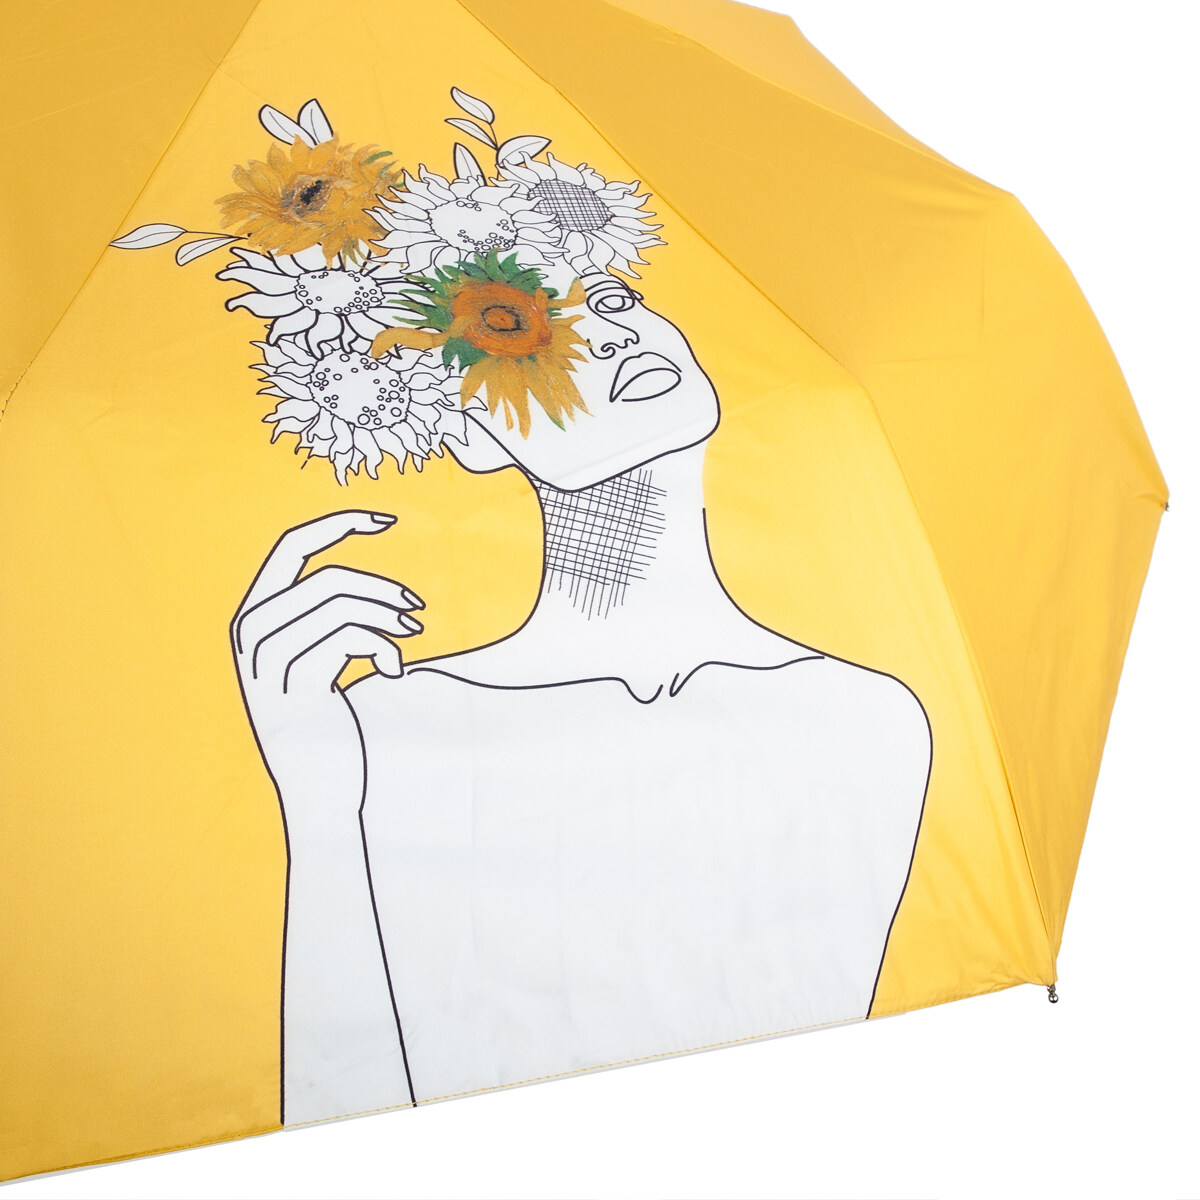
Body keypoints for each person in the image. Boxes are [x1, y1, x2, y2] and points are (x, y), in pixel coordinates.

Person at [231, 271, 932, 1125]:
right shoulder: (384, 733)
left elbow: (811, 1072)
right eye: (520, 331)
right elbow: (342, 1110)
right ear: (470, 429)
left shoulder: (862, 716)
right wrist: (320, 811)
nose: (610, 335)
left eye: (614, 298)